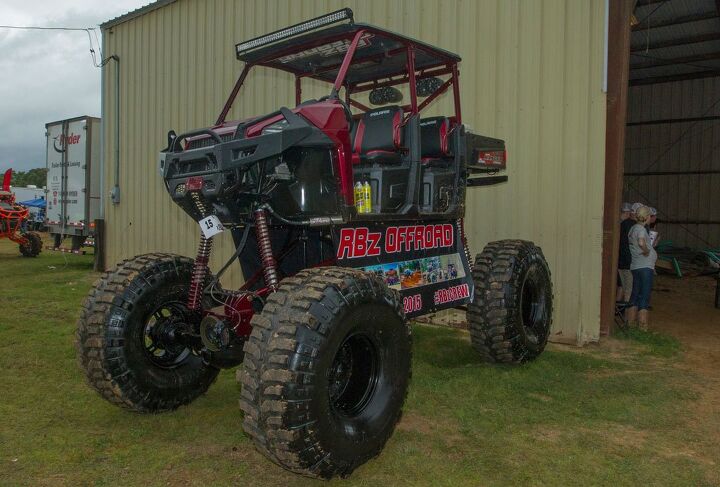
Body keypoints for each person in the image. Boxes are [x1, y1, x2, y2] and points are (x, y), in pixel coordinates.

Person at [626, 205, 657, 330]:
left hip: (636, 266)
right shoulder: (641, 229)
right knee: (644, 295)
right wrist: (646, 250)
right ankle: (643, 326)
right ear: (646, 217)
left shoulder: (633, 228)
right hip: (645, 266)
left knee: (635, 294)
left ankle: (630, 323)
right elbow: (641, 242)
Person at [617, 202, 635, 302]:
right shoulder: (629, 225)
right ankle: (625, 313)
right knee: (627, 288)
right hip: (626, 260)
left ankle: (618, 308)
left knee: (621, 285)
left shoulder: (621, 224)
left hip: (620, 260)